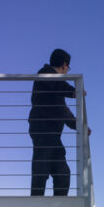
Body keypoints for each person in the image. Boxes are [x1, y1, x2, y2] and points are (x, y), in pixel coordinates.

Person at [28, 48, 77, 196]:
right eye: (68, 68)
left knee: (62, 172)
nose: (67, 72)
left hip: (52, 135)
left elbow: (63, 110)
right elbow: (58, 85)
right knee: (41, 167)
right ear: (64, 65)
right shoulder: (45, 73)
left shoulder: (54, 84)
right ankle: (36, 205)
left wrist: (80, 125)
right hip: (42, 130)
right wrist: (74, 91)